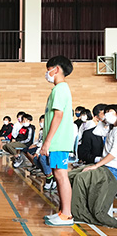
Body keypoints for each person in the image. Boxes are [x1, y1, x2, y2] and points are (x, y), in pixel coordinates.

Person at [68, 105, 117, 227]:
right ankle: (78, 210)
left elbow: (113, 154)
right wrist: (103, 121)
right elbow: (96, 131)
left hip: (112, 169)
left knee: (82, 177)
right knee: (71, 175)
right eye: (105, 113)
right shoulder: (111, 129)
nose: (106, 115)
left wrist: (96, 166)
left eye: (109, 113)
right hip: (104, 167)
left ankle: (82, 214)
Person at [40, 55, 74, 226]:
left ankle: (67, 215)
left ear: (57, 69)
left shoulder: (60, 89)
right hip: (56, 141)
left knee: (61, 175)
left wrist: (47, 142)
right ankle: (62, 212)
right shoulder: (58, 89)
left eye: (49, 70)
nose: (47, 74)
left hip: (59, 141)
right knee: (58, 174)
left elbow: (58, 116)